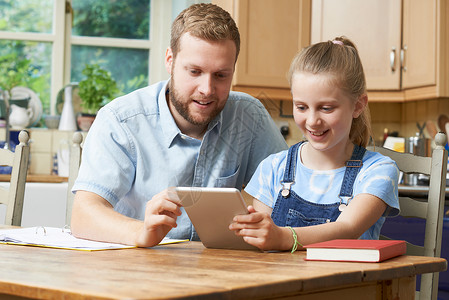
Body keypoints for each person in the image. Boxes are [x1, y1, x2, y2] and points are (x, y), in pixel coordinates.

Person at [70, 3, 287, 247]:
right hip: (136, 268)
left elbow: (291, 192)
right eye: (195, 71)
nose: (207, 90)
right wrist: (141, 232)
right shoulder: (120, 120)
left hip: (222, 270)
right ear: (170, 61)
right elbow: (83, 216)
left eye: (221, 75)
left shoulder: (250, 116)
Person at [230, 37, 400, 252]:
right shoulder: (273, 167)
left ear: (357, 106)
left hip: (350, 284)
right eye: (301, 107)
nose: (312, 121)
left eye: (326, 108)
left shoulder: (378, 171)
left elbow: (348, 229)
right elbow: (265, 241)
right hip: (282, 283)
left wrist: (282, 237)